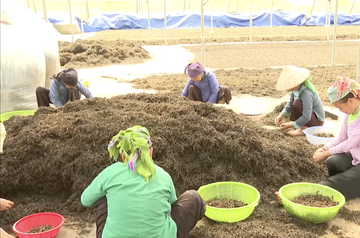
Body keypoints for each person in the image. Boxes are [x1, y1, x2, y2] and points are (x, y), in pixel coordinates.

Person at [81, 126, 205, 238]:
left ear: (123, 155)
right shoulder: (162, 174)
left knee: (103, 196)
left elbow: (85, 200)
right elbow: (173, 205)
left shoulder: (110, 173)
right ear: (150, 152)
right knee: (194, 197)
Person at [312, 76, 360, 200]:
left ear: (350, 101)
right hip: (356, 157)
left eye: (340, 108)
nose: (341, 111)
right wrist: (325, 148)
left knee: (328, 186)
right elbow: (342, 137)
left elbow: (350, 142)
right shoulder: (350, 114)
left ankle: (348, 185)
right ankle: (352, 185)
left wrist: (327, 153)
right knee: (333, 162)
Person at [274, 66, 325, 136]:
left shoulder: (306, 93)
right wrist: (281, 115)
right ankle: (301, 125)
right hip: (309, 116)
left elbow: (307, 116)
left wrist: (290, 124)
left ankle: (303, 129)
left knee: (297, 103)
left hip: (316, 121)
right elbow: (289, 105)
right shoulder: (295, 90)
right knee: (295, 104)